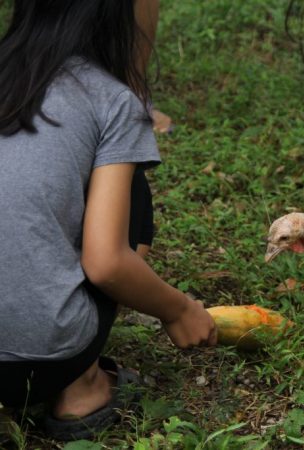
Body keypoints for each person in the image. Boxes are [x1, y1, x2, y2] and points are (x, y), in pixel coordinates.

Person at [0, 0, 217, 441]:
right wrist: (179, 309)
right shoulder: (112, 101)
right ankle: (82, 390)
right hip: (44, 357)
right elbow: (106, 262)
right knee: (132, 195)